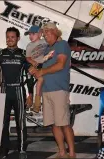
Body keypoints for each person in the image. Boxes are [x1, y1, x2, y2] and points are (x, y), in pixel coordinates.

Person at [0, 27, 33, 159]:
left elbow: (30, 76)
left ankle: (21, 149)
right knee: (3, 122)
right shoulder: (0, 54)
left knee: (21, 121)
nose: (10, 39)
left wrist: (31, 94)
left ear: (17, 38)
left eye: (12, 37)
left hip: (18, 91)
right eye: (8, 37)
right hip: (4, 90)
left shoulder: (23, 54)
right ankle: (4, 149)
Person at [29, 22, 76, 158]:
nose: (45, 34)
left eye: (48, 31)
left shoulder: (62, 45)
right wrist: (35, 70)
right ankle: (62, 152)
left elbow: (60, 65)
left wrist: (42, 71)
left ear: (56, 32)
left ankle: (72, 153)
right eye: (44, 32)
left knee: (64, 123)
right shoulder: (47, 49)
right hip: (46, 90)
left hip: (59, 89)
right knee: (54, 124)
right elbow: (42, 68)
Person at [24, 25, 48, 113]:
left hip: (44, 65)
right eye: (29, 34)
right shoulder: (29, 45)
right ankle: (36, 104)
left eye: (33, 34)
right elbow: (28, 58)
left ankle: (38, 102)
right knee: (40, 79)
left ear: (39, 34)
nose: (30, 36)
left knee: (43, 81)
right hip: (34, 66)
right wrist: (32, 62)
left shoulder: (45, 41)